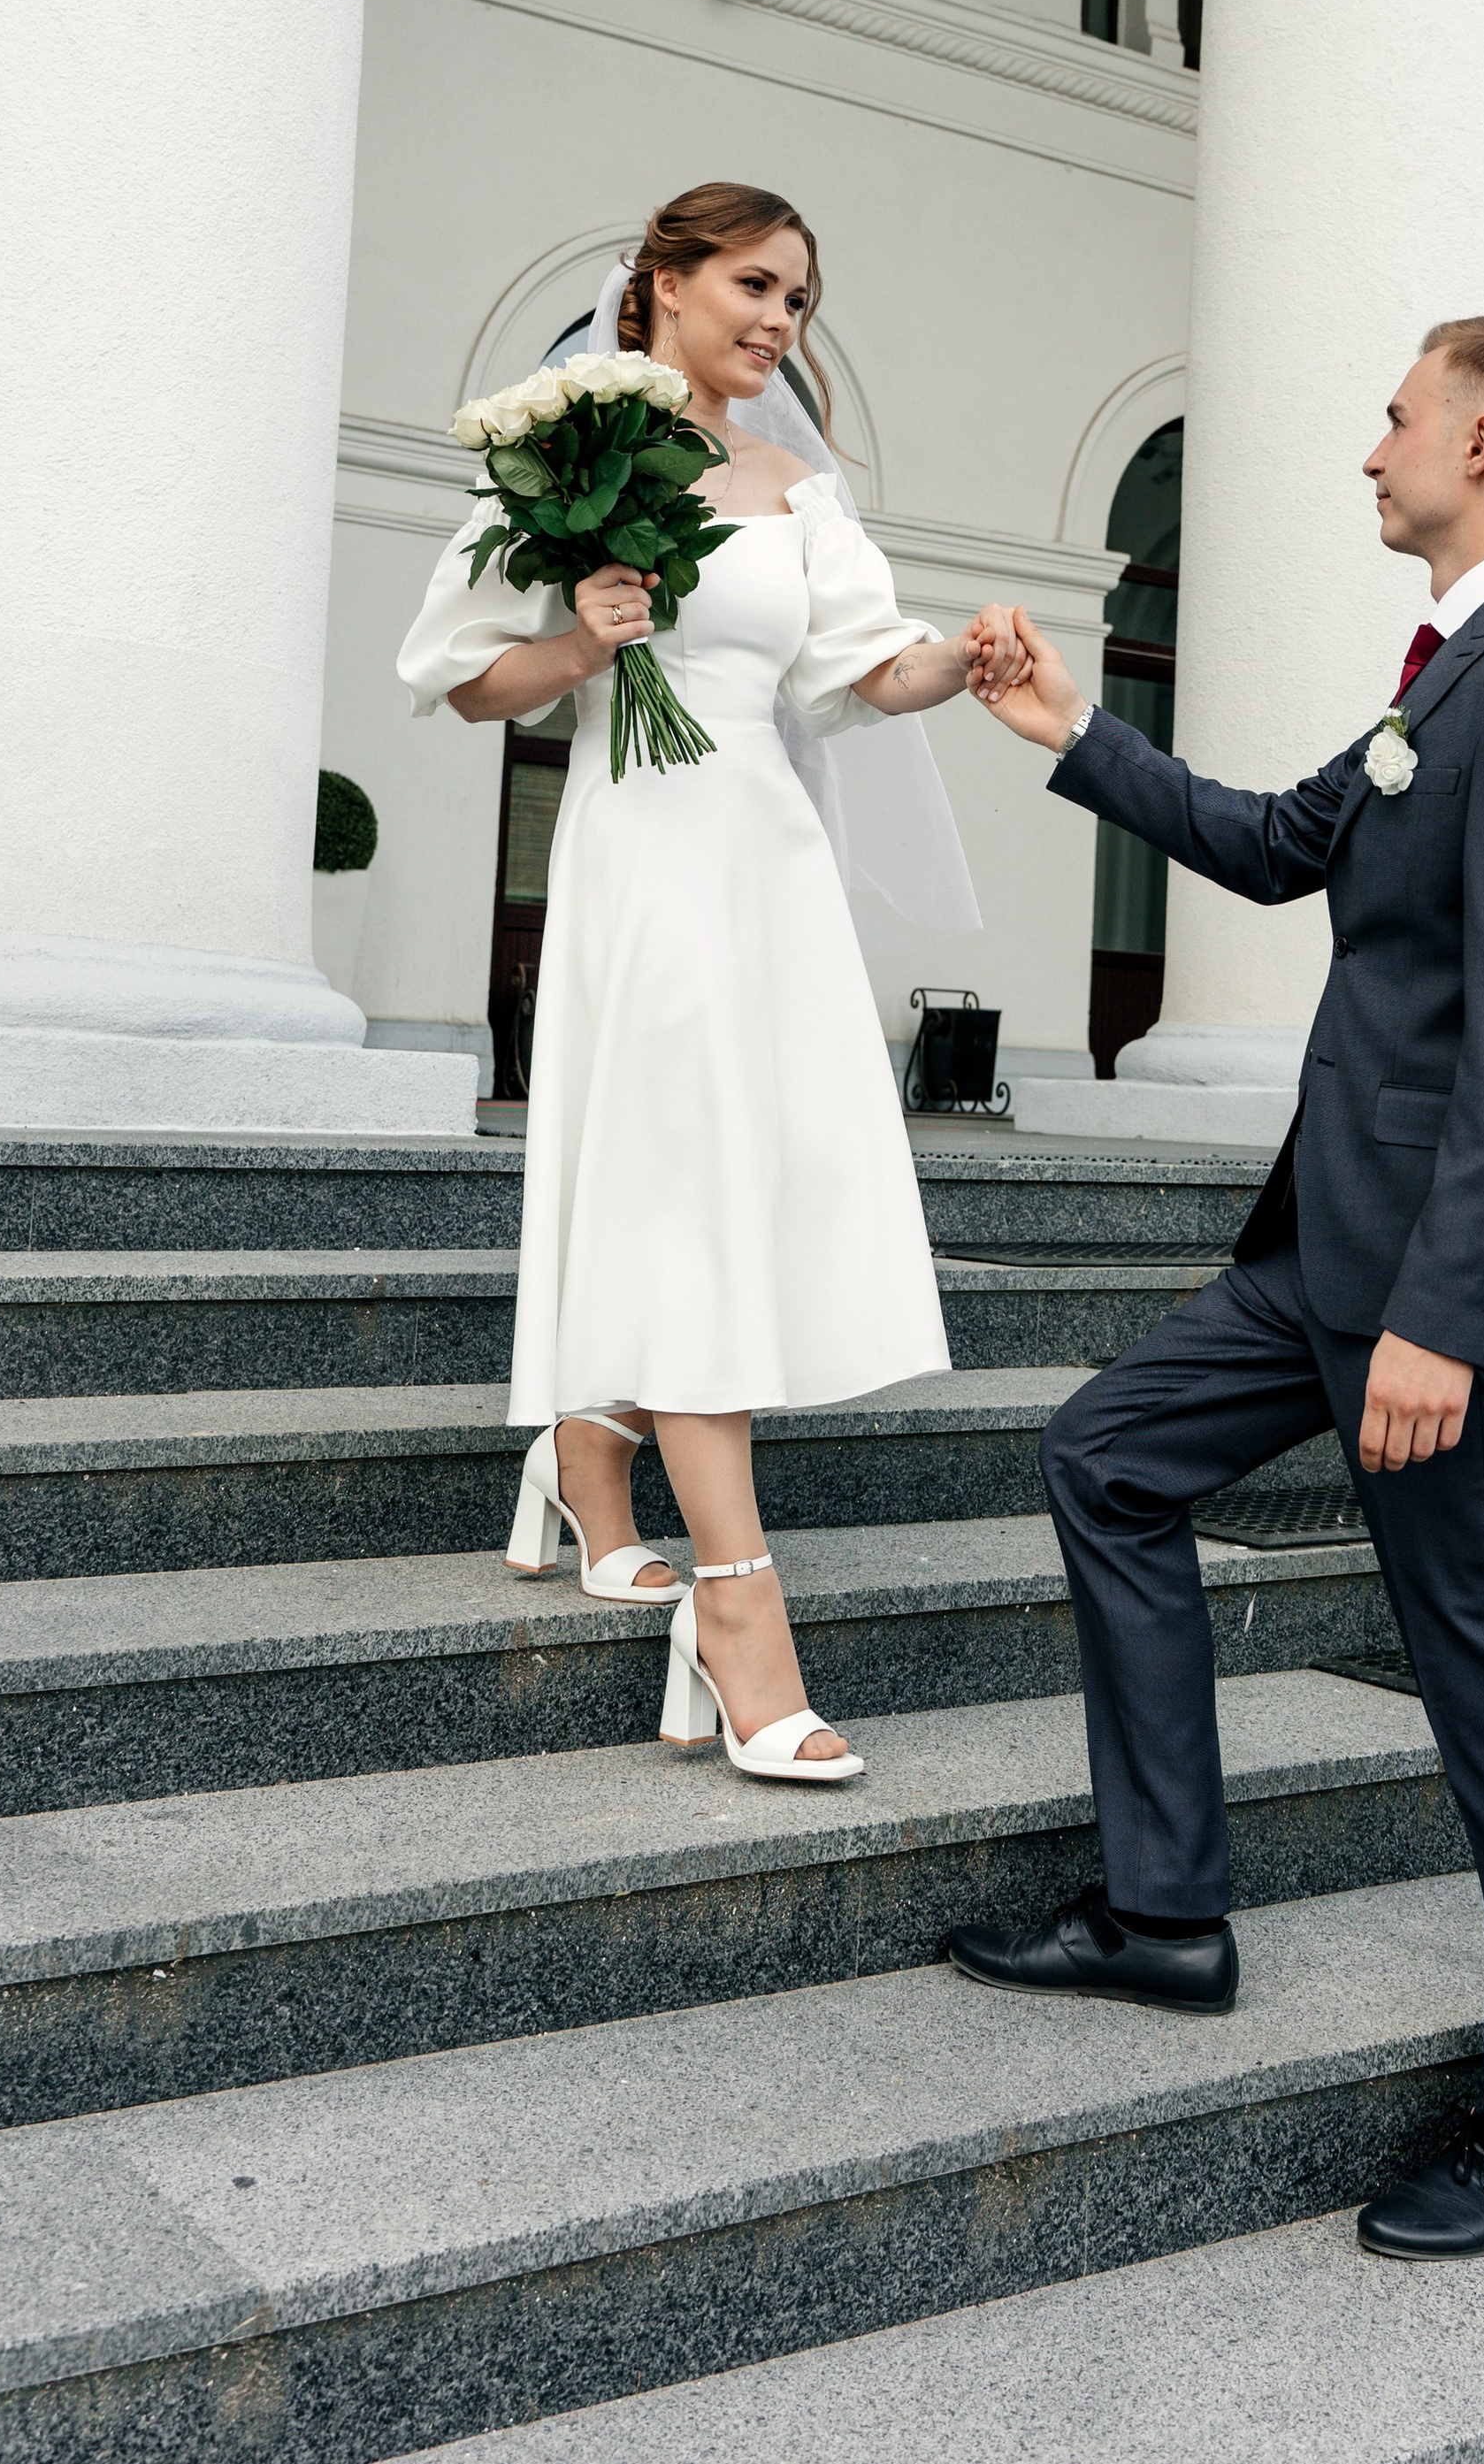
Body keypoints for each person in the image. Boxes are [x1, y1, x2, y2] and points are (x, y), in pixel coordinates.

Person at [946, 318, 1484, 2261]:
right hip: (1317, 1254)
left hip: (1432, 1287)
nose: (1370, 448)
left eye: (1397, 416)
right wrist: (1064, 732)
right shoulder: (1452, 670)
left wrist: (1444, 1310)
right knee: (1103, 1456)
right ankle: (1165, 1912)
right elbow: (1274, 846)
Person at [399, 182, 1021, 1785]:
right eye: (754, 284)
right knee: (680, 1184)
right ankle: (740, 1611)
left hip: (769, 867)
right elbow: (468, 678)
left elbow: (863, 672)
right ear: (662, 283)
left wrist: (969, 657)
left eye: (800, 303)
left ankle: (589, 1449)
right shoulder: (565, 461)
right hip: (645, 859)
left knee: (735, 1179)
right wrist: (585, 639)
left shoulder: (800, 487)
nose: (776, 321)